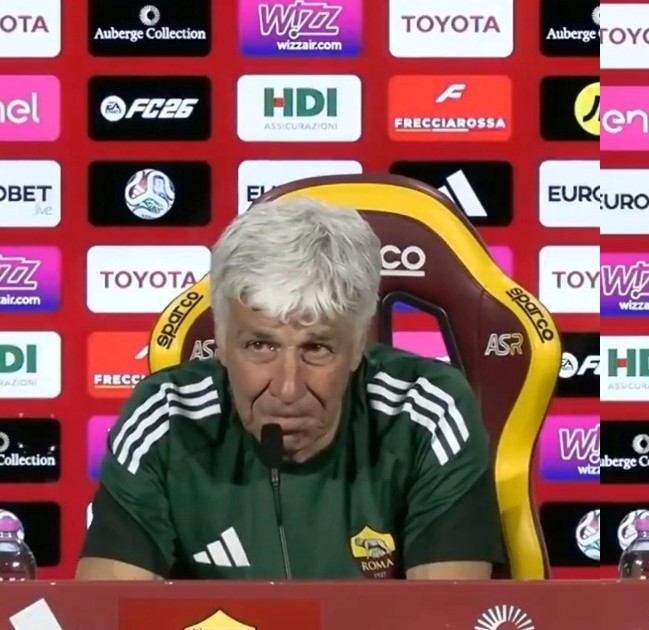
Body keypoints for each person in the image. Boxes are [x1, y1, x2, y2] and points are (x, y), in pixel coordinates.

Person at [76, 198, 506, 580]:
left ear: (358, 346)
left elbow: (446, 617)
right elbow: (108, 615)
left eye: (316, 348)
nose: (286, 388)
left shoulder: (428, 410)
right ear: (221, 342)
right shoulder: (167, 418)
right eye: (260, 346)